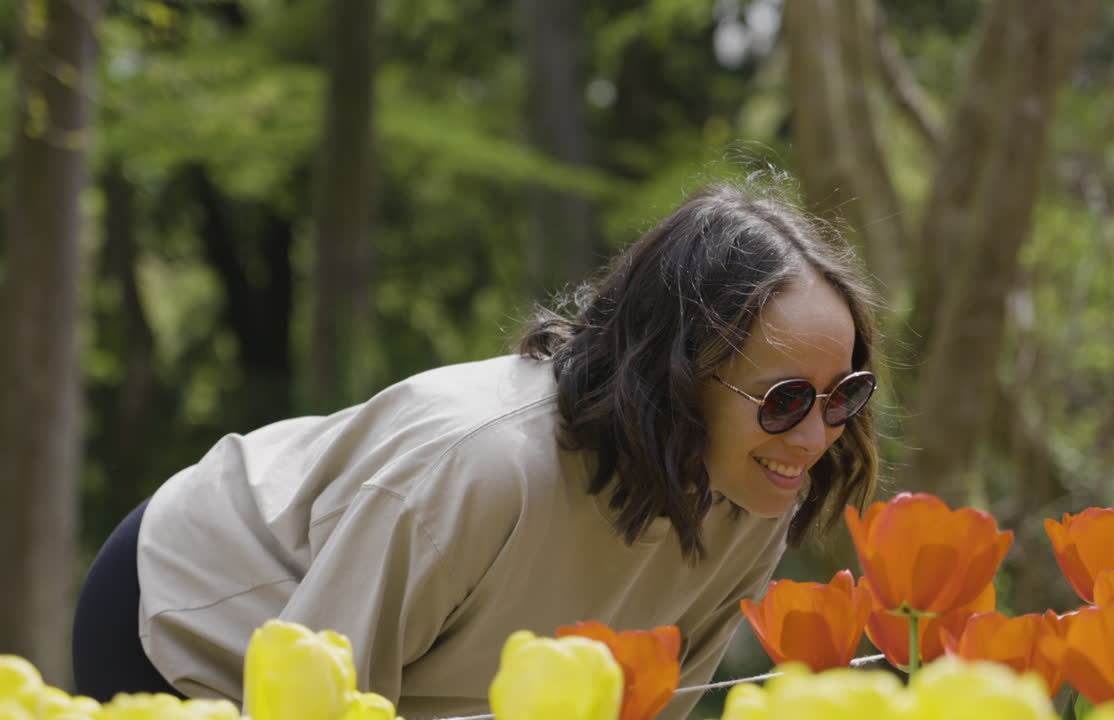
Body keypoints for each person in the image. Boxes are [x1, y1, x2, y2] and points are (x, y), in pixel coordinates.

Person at [71, 179, 881, 720]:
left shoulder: (755, 491)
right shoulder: (479, 466)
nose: (815, 438)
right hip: (192, 620)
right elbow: (314, 695)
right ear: (678, 375)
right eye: (783, 402)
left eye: (844, 395)